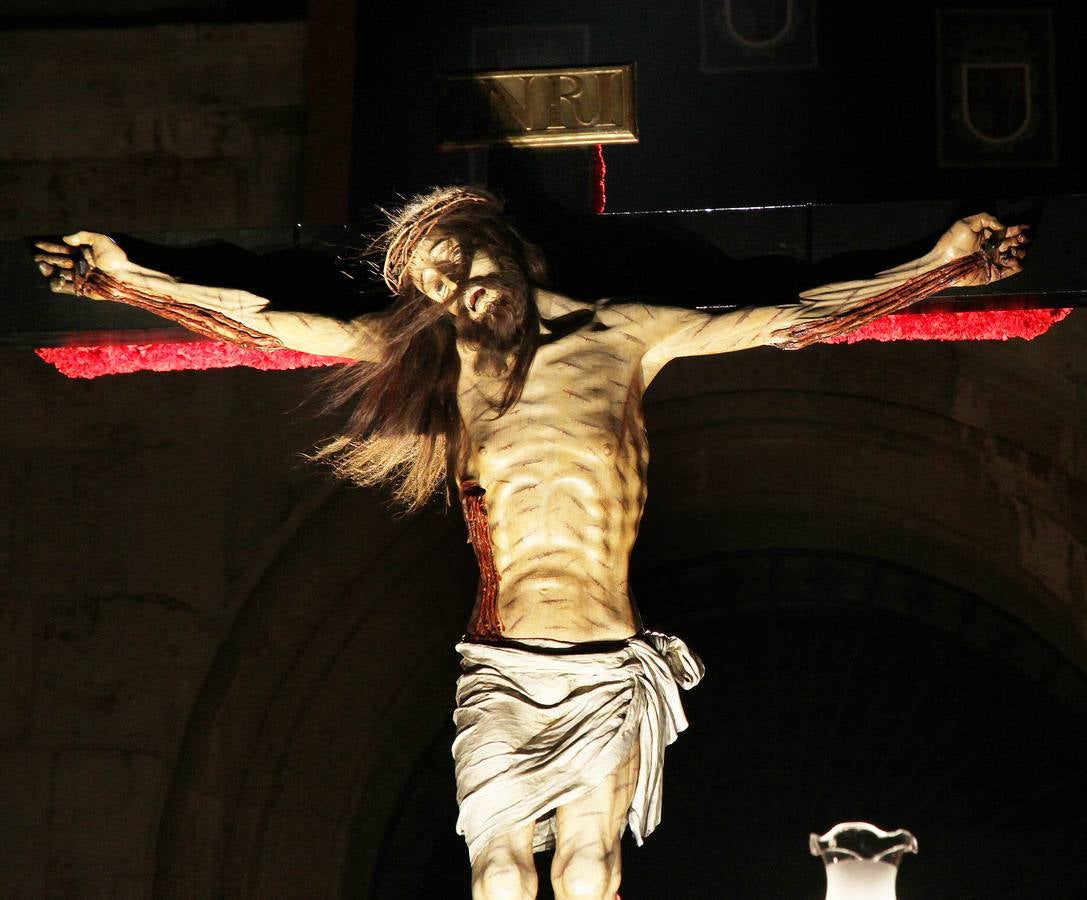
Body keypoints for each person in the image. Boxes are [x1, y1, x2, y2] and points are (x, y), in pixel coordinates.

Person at [34, 187, 1028, 900]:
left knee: (591, 864)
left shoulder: (626, 333)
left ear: (504, 246)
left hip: (603, 663)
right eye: (436, 283)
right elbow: (272, 326)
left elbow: (790, 321)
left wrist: (942, 265)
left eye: (461, 259)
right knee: (500, 870)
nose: (457, 287)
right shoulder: (439, 354)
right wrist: (126, 285)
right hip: (500, 663)